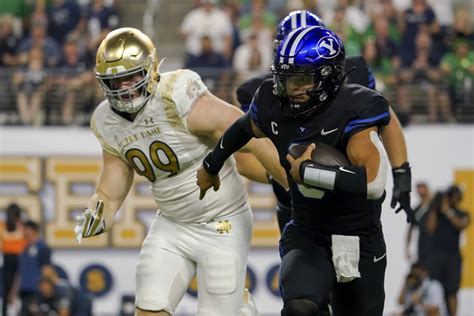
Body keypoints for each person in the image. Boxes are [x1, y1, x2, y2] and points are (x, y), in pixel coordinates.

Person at [73, 27, 286, 316]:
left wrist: (291, 181)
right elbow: (114, 179)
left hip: (221, 221)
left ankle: (239, 308)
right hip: (172, 223)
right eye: (115, 80)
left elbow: (247, 131)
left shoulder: (175, 95)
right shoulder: (106, 119)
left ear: (149, 68)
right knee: (149, 308)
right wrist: (101, 208)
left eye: (130, 76)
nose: (123, 87)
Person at [197, 25, 393, 315]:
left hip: (359, 236)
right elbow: (243, 127)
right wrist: (211, 164)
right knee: (299, 307)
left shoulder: (356, 107)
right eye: (285, 79)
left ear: (326, 77)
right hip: (307, 231)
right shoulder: (274, 103)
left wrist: (311, 173)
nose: (290, 88)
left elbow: (374, 182)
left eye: (300, 79)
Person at [235, 10, 416, 233]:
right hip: (297, 207)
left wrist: (401, 173)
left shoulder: (354, 73)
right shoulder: (260, 93)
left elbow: (386, 118)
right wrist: (294, 174)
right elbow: (244, 158)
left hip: (349, 200)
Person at [426, 185, 470, 316]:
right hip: (436, 256)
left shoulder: (462, 213)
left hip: (453, 258)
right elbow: (430, 229)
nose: (457, 199)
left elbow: (462, 224)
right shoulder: (437, 214)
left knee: (452, 291)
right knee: (434, 289)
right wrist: (435, 207)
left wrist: (448, 211)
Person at [18, 220, 52, 316]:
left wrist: (45, 290)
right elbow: (20, 272)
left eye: (25, 229)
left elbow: (46, 270)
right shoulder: (24, 249)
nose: (23, 232)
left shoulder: (43, 248)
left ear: (33, 231)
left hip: (37, 292)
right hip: (24, 292)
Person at [0, 203, 26, 316]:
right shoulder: (2, 226)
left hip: (21, 260)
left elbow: (26, 244)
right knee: (7, 289)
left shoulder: (23, 227)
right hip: (7, 260)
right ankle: (5, 312)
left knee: (21, 288)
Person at [405, 182, 433, 262]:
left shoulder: (435, 205)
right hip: (423, 245)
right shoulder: (416, 210)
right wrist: (407, 248)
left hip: (436, 244)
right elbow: (410, 230)